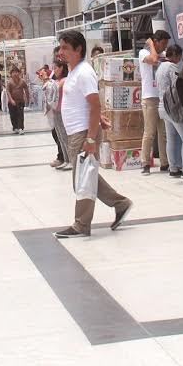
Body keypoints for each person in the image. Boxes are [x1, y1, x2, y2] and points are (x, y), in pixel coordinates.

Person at [54, 30, 132, 239]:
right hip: (77, 132)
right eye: (60, 47)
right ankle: (121, 203)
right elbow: (84, 104)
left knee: (82, 180)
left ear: (78, 49)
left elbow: (95, 104)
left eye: (65, 48)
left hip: (82, 133)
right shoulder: (74, 71)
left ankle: (81, 225)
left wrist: (90, 137)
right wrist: (98, 120)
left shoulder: (84, 72)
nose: (61, 52)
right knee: (86, 176)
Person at [138, 30, 171, 175]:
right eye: (162, 43)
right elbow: (152, 59)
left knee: (163, 132)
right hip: (150, 97)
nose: (164, 47)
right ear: (155, 41)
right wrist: (150, 44)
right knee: (149, 132)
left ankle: (165, 162)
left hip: (161, 97)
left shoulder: (162, 55)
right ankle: (145, 162)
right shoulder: (143, 53)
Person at [157, 44, 183, 179]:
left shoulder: (160, 68)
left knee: (170, 138)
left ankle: (173, 168)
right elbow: (178, 86)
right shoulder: (172, 67)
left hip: (162, 106)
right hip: (173, 107)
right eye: (180, 56)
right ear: (176, 55)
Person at [43, 59, 69, 169]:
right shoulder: (57, 81)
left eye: (56, 68)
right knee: (60, 137)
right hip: (56, 111)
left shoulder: (64, 80)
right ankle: (66, 159)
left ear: (62, 68)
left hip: (62, 111)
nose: (54, 70)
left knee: (65, 136)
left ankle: (71, 159)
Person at [5, 67, 31, 134]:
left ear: (19, 73)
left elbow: (26, 89)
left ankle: (21, 128)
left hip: (20, 101)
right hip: (12, 102)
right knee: (13, 115)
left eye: (16, 72)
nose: (15, 74)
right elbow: (7, 91)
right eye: (13, 72)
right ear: (11, 74)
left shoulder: (22, 81)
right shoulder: (9, 82)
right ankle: (15, 127)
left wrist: (28, 98)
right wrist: (11, 100)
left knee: (20, 114)